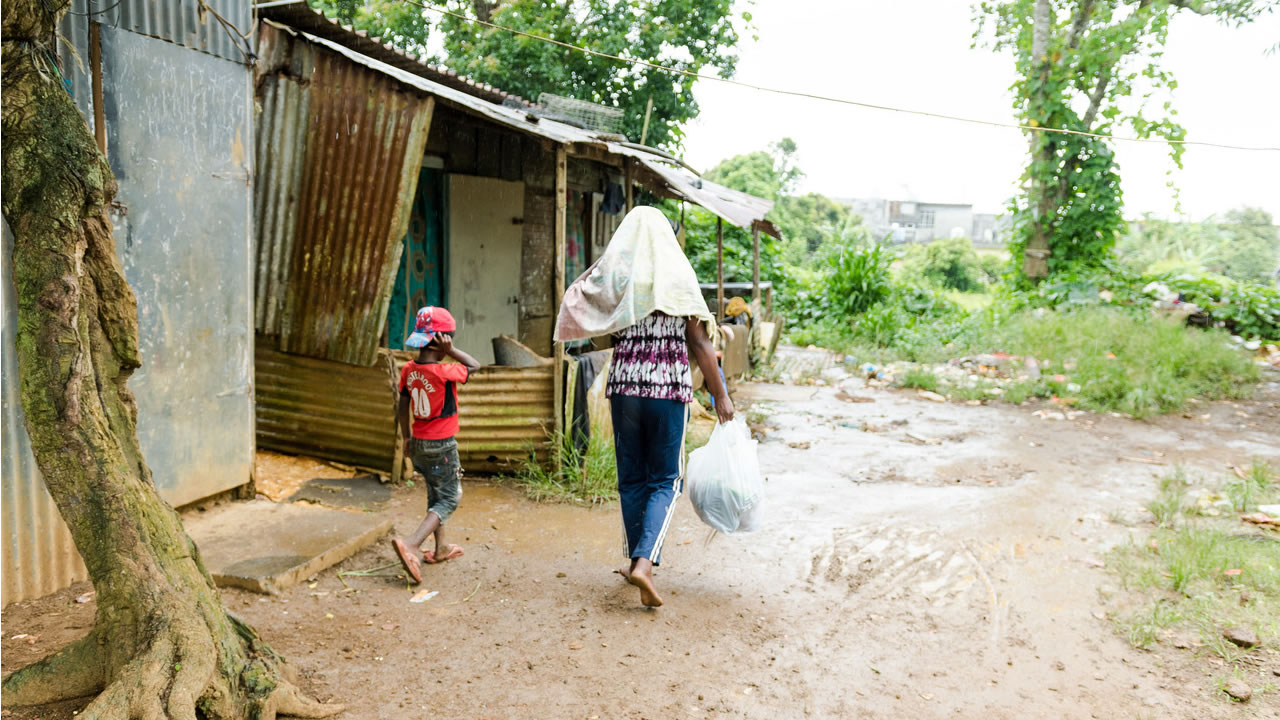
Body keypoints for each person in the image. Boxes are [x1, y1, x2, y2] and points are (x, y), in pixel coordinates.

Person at [555, 206, 734, 607]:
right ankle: (644, 563)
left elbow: (598, 332)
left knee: (632, 477)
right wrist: (720, 395)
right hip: (667, 389)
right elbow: (700, 342)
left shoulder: (619, 277)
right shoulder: (678, 276)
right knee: (666, 480)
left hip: (624, 388)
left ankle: (635, 557)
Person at [390, 306, 481, 585]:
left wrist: (406, 437)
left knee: (436, 494)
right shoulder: (445, 371)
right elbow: (475, 366)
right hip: (442, 447)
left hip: (418, 443)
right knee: (450, 498)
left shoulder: (409, 369)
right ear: (442, 341)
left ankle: (441, 549)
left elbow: (402, 405)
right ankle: (412, 545)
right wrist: (451, 351)